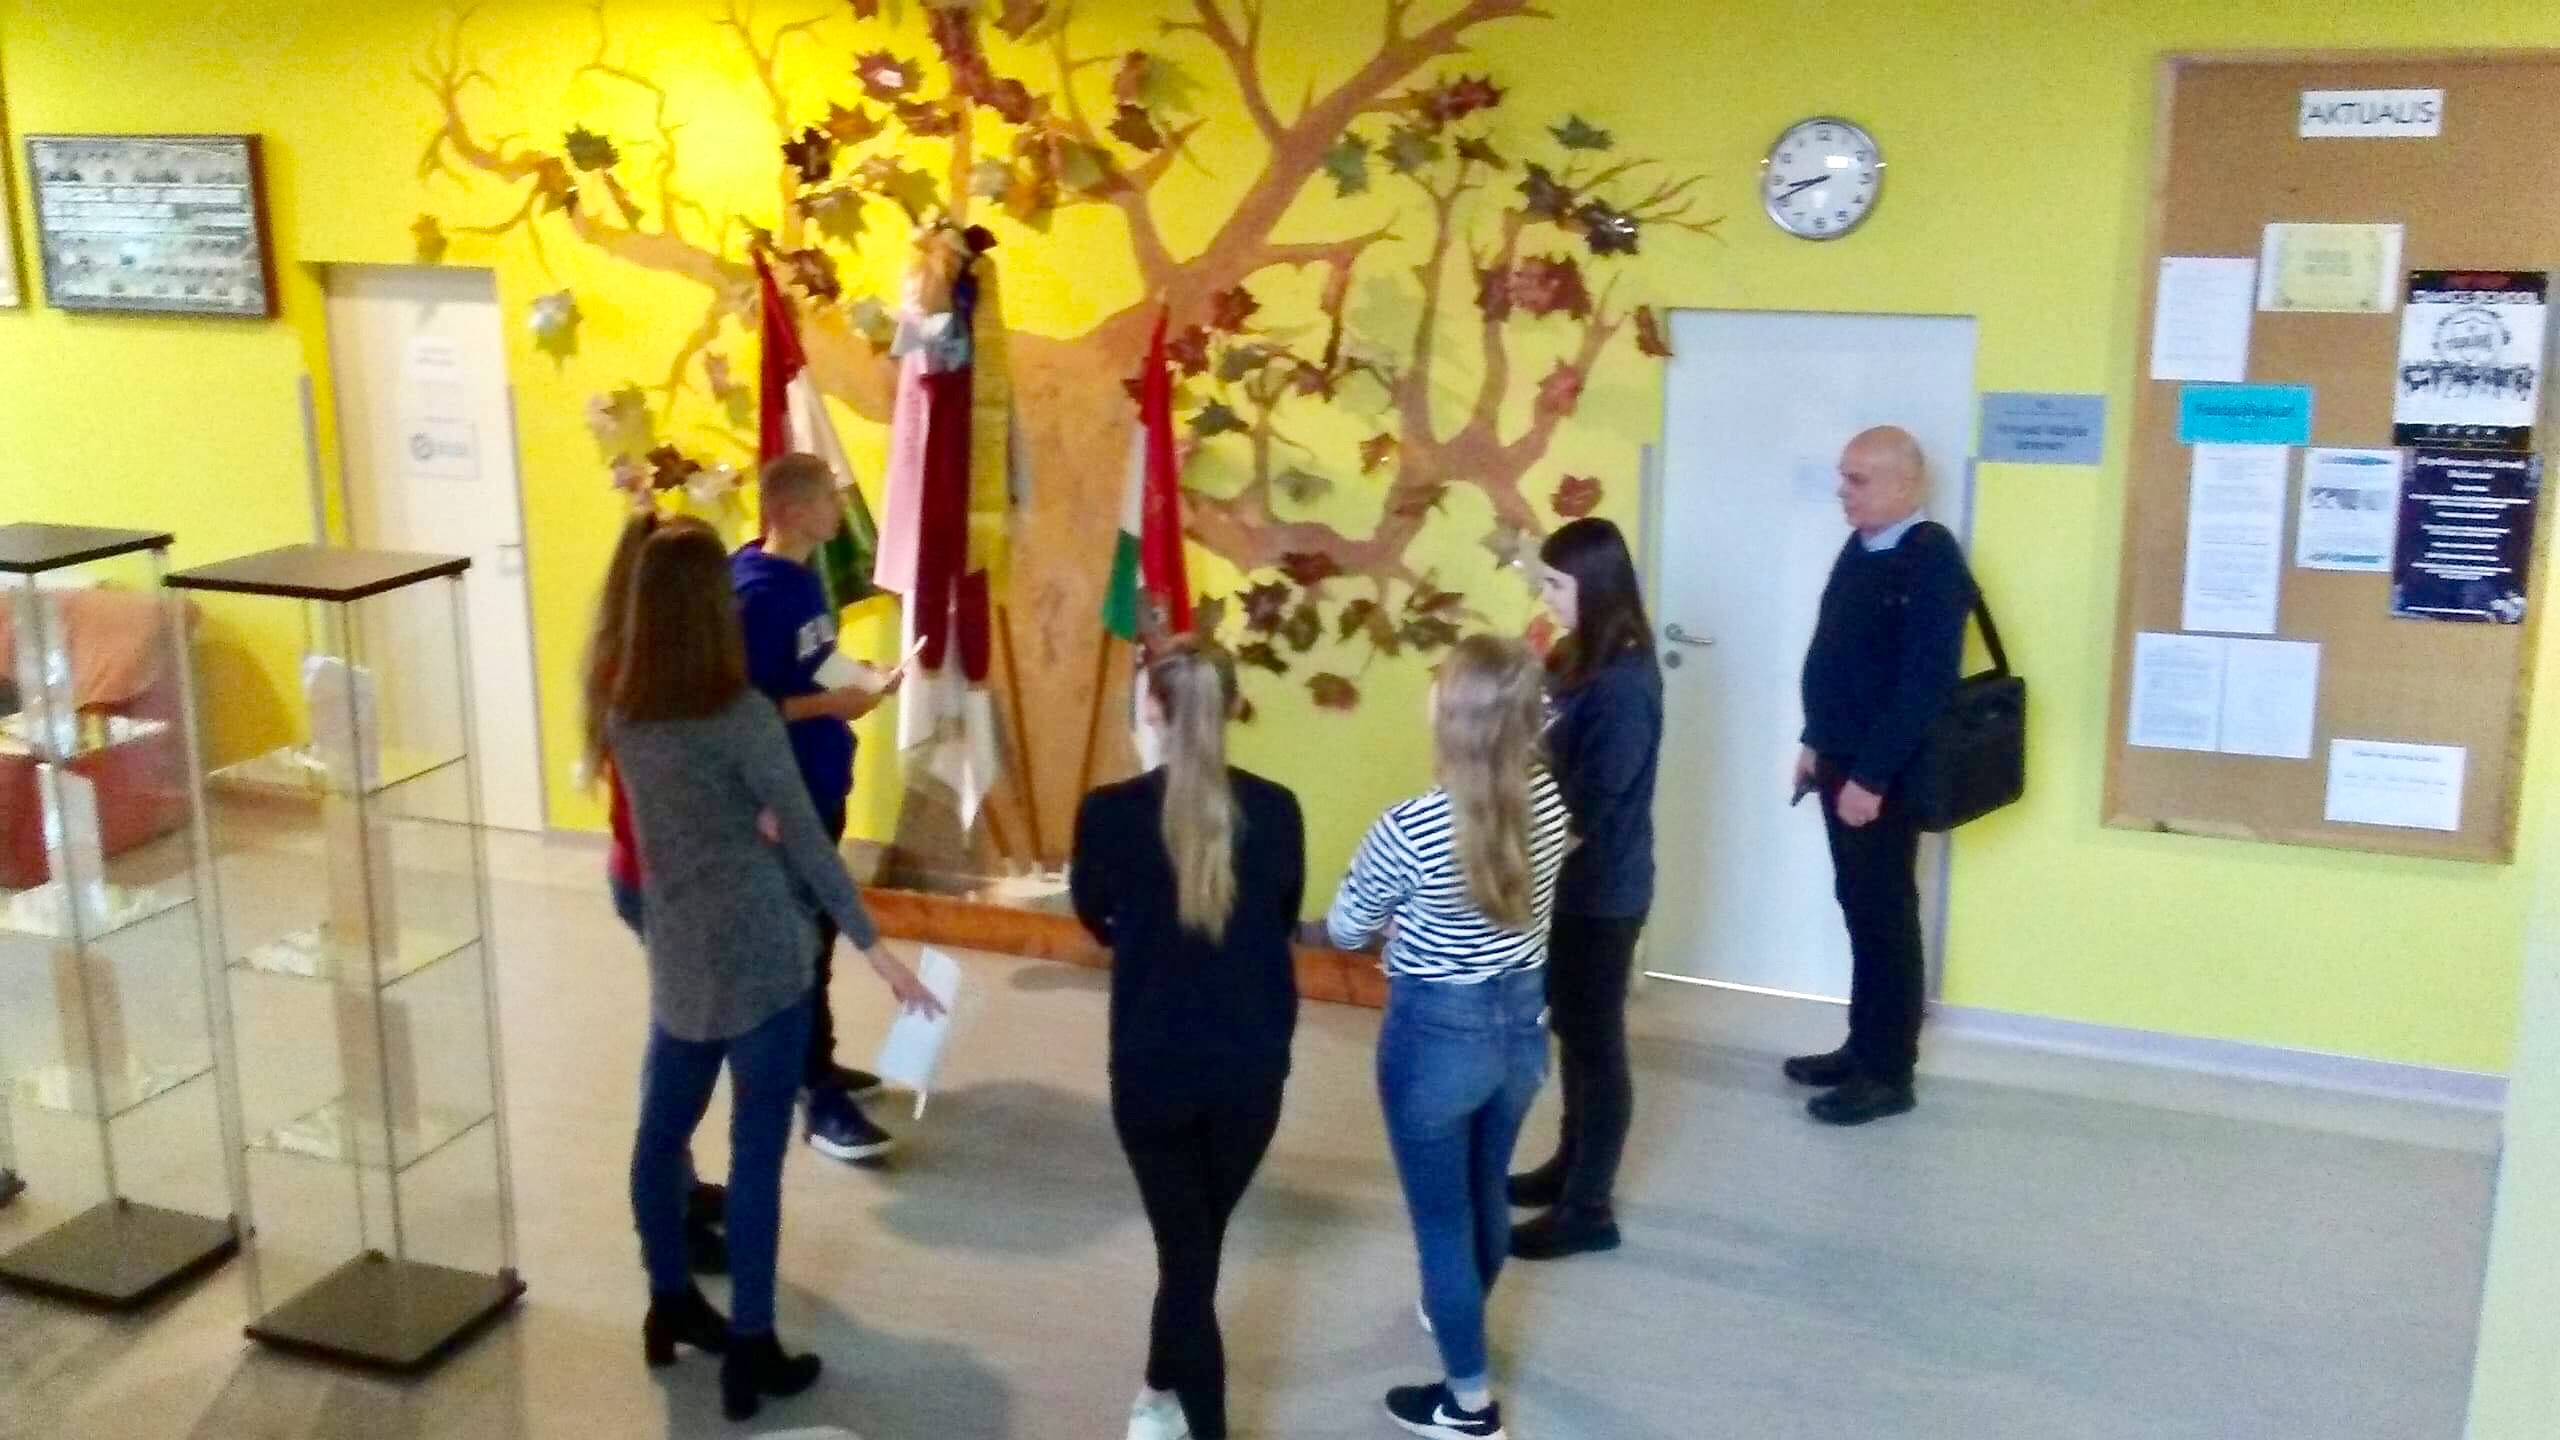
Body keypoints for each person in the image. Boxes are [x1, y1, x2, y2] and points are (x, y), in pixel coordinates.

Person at [610, 523, 943, 1423]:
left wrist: (741, 825)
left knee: (659, 1137)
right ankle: (751, 1347)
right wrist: (876, 949)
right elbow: (805, 841)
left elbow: (676, 828)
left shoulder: (626, 717)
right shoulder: (743, 719)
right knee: (755, 1156)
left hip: (681, 965)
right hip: (764, 962)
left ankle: (669, 1301)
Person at [1328, 634, 1572, 1440]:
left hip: (1437, 1033)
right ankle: (1456, 1308)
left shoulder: (1410, 827)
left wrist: (1401, 922)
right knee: (1483, 1191)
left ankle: (1468, 1408)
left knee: (1440, 1222)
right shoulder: (1549, 801)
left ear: (1455, 716)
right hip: (1523, 1030)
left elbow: (1345, 928)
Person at [1070, 639, 1305, 1440]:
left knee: (1187, 1255)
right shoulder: (1280, 810)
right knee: (1194, 1249)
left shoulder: (1106, 814)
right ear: (1234, 709)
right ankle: (1157, 1387)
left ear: (1151, 711)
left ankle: (1171, 1400)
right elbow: (1282, 913)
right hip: (1252, 1067)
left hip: (1152, 1066)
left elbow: (1093, 915)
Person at [1788, 425, 1973, 1126]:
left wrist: (1869, 778)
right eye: (1844, 476)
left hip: (1879, 775)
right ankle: (1860, 1048)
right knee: (1860, 906)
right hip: (1840, 760)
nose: (1844, 491)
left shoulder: (1930, 558)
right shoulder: (1863, 546)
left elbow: (1924, 685)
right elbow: (1835, 653)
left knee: (1886, 916)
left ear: (1908, 484)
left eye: (1858, 479)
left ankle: (1890, 1074)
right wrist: (1813, 742)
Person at [733, 452, 904, 1165]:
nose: (841, 510)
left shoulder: (804, 581)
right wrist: (833, 705)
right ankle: (815, 1097)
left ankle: (820, 1060)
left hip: (823, 781)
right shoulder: (750, 595)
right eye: (829, 500)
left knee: (820, 939)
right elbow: (743, 708)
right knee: (800, 948)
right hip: (786, 795)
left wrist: (863, 677)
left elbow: (815, 660)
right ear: (792, 512)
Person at [1507, 517, 1662, 1261]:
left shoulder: (1626, 682)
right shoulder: (1577, 657)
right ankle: (1568, 1166)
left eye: (1557, 584)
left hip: (1602, 891)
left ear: (1596, 586)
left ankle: (1589, 1208)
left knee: (1596, 1044)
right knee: (1572, 1027)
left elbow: (1592, 800)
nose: (1546, 595)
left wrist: (1523, 861)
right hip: (1565, 887)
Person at [581, 502, 729, 1274]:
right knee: (679, 1058)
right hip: (666, 891)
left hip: (649, 881)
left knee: (678, 1047)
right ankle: (667, 1211)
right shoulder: (646, 682)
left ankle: (678, 1185)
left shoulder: (627, 661)